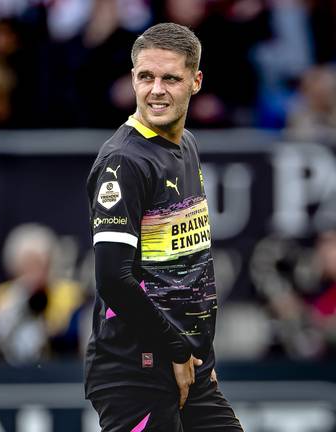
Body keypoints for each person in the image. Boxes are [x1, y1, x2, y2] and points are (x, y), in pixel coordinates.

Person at [84, 23, 243, 431]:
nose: (156, 90)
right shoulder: (124, 161)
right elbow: (113, 279)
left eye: (170, 78)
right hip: (136, 371)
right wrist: (176, 349)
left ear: (196, 81)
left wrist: (198, 355)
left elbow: (193, 262)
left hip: (187, 362)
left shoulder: (186, 143)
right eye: (145, 77)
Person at [0, 223, 87, 364]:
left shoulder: (68, 294)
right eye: (27, 264)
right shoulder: (0, 296)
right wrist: (16, 302)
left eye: (39, 263)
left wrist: (45, 330)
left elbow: (72, 341)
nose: (33, 271)